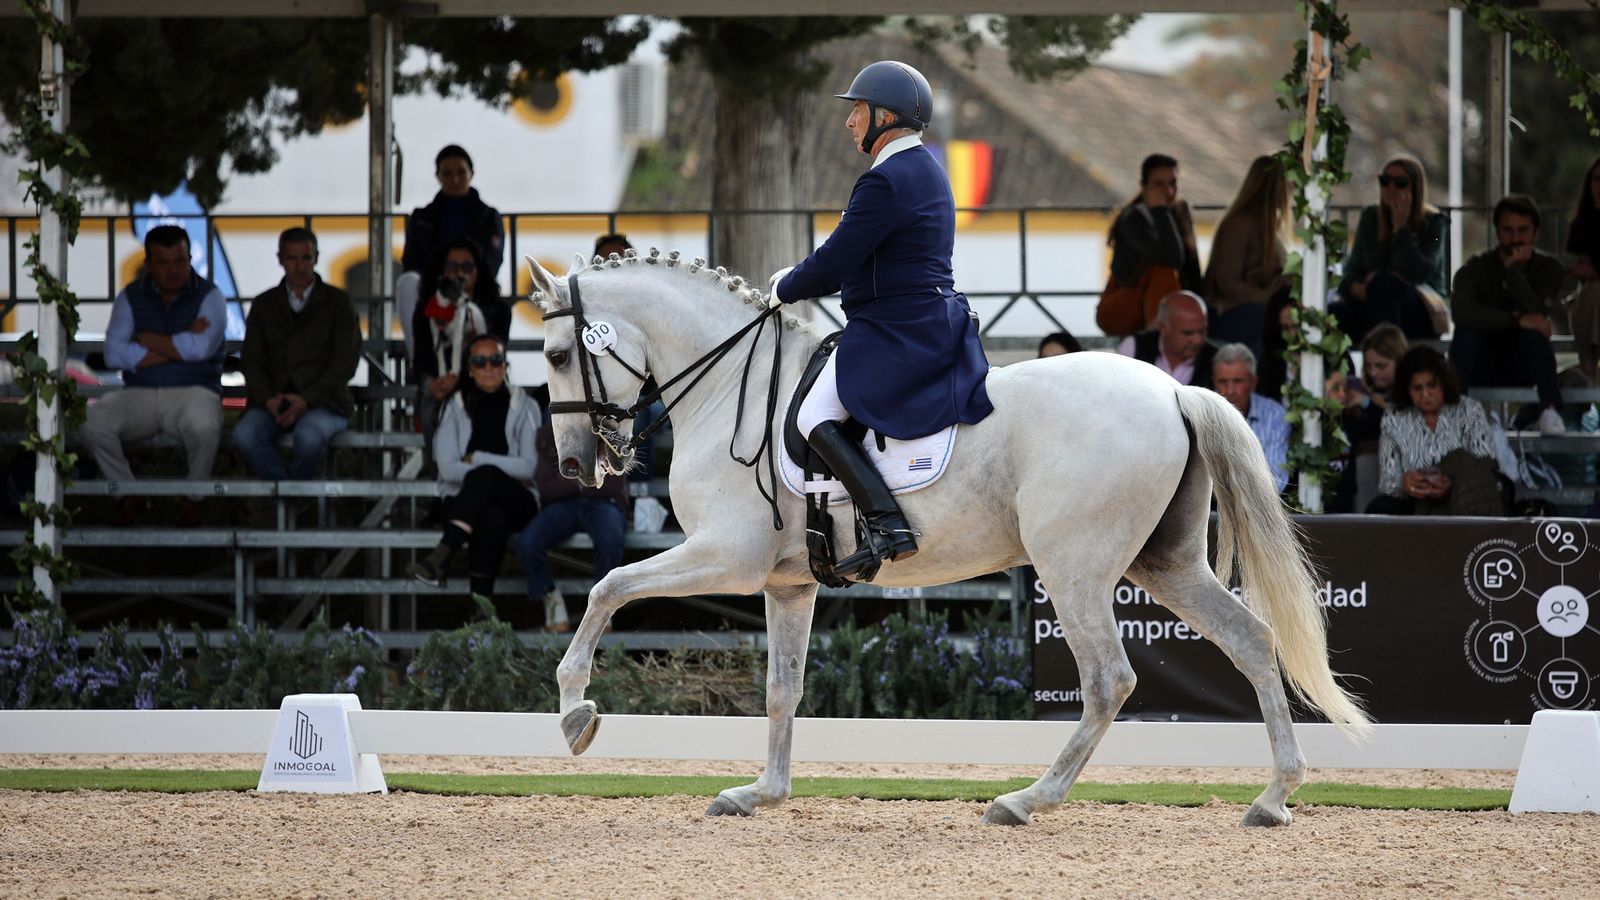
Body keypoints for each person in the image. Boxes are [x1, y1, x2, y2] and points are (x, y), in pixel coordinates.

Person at [767, 59, 994, 580]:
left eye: (858, 111)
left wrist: (785, 287)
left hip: (898, 328)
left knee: (811, 414)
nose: (850, 121)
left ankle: (886, 521)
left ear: (886, 116)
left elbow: (836, 260)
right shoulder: (927, 169)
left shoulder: (886, 180)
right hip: (930, 318)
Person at [82, 225, 226, 526]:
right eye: (164, 262)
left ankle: (193, 498)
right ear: (148, 264)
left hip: (193, 390)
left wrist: (144, 338)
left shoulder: (210, 296)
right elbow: (114, 354)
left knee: (206, 424)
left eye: (181, 261)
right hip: (140, 393)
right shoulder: (130, 296)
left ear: (190, 260)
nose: (174, 270)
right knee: (94, 423)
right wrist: (180, 342)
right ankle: (127, 494)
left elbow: (200, 349)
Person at [408, 334, 540, 603]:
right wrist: (494, 470)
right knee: (491, 516)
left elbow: (529, 468)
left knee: (486, 475)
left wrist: (477, 458)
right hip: (463, 502)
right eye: (480, 362)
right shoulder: (453, 407)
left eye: (496, 360)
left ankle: (443, 553)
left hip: (518, 500)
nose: (489, 367)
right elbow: (447, 469)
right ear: (469, 369)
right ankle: (481, 612)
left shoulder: (527, 406)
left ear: (505, 365)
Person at [234, 228, 362, 481]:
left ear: (316, 258)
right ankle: (290, 492)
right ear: (280, 259)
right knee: (245, 435)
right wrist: (269, 399)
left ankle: (285, 497)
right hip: (272, 404)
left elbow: (345, 362)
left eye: (306, 258)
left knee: (310, 438)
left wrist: (306, 399)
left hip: (326, 403)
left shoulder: (339, 303)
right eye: (292, 258)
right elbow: (251, 360)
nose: (300, 266)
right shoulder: (264, 304)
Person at [1449, 195, 1567, 435]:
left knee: (1534, 331)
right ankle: (1454, 415)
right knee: (1465, 333)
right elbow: (1461, 312)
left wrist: (1513, 272)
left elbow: (1538, 313)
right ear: (1497, 231)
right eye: (1508, 230)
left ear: (1535, 232)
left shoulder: (1549, 268)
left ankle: (1549, 410)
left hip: (1525, 364)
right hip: (1483, 362)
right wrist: (1515, 319)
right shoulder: (1476, 268)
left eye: (1522, 230)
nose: (1515, 238)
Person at [515, 403, 630, 633]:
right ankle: (551, 598)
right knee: (527, 543)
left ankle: (603, 607)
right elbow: (545, 485)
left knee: (611, 539)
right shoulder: (550, 431)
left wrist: (572, 480)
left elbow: (614, 482)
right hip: (562, 506)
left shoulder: (607, 427)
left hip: (602, 504)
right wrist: (586, 482)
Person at [397, 145, 505, 360]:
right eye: (447, 173)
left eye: (461, 172)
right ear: (437, 176)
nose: (455, 179)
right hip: (433, 286)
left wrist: (463, 274)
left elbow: (492, 260)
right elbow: (411, 260)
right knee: (406, 282)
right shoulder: (421, 217)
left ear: (471, 174)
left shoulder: (489, 216)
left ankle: (481, 362)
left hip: (473, 285)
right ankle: (418, 358)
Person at [1329, 154, 1450, 341]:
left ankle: (1387, 361)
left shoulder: (1434, 223)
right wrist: (1358, 288)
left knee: (1384, 284)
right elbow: (1351, 271)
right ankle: (1344, 369)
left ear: (1415, 188)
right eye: (1385, 181)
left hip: (1419, 310)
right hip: (1371, 303)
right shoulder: (1371, 217)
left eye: (1400, 183)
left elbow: (1421, 273)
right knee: (1333, 315)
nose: (1390, 188)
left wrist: (1400, 228)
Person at [1371, 345, 1500, 516]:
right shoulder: (1394, 417)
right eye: (1417, 388)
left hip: (1462, 496)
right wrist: (1404, 483)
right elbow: (1386, 482)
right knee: (1380, 507)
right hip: (1416, 501)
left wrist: (1452, 482)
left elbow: (1485, 465)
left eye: (1432, 385)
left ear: (1443, 383)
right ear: (1407, 390)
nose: (1425, 394)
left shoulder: (1469, 409)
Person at [412, 236, 512, 438]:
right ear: (442, 271)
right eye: (452, 266)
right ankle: (439, 469)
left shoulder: (499, 310)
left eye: (467, 266)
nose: (459, 273)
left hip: (485, 383)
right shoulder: (426, 309)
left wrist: (462, 381)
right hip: (439, 387)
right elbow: (421, 359)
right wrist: (432, 383)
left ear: (478, 270)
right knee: (429, 413)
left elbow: (496, 356)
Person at [1096, 153, 1203, 338]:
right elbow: (1172, 258)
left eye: (1173, 183)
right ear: (1144, 186)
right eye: (1159, 184)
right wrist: (1160, 211)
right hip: (1121, 307)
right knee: (1163, 271)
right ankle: (1158, 340)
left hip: (1164, 306)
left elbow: (1192, 268)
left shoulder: (1179, 212)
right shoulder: (1132, 219)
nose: (1168, 191)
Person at [1204, 155, 1291, 354]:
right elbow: (1228, 284)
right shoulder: (1239, 225)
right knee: (1268, 322)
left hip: (1256, 308)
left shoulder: (1268, 228)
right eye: (1288, 184)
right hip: (1229, 312)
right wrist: (1270, 297)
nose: (1292, 190)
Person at [1341, 324, 1408, 513]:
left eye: (1381, 366)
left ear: (1399, 360)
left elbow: (1399, 424)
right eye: (1369, 366)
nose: (1373, 373)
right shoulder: (1360, 388)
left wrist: (1368, 404)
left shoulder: (1410, 392)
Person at [1211, 344, 1290, 492]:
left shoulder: (1275, 416)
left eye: (1237, 381)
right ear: (1214, 382)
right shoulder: (1202, 415)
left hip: (1260, 509)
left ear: (1253, 382)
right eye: (1223, 382)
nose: (1230, 391)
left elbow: (1275, 480)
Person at [1116, 291, 1218, 390]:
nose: (1197, 340)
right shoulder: (1133, 347)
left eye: (1202, 331)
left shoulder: (1216, 358)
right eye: (1187, 333)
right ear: (1163, 328)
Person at [1564, 155, 1600, 382]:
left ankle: (1589, 367)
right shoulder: (1583, 224)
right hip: (1590, 299)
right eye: (1596, 179)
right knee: (1594, 293)